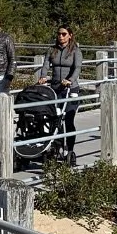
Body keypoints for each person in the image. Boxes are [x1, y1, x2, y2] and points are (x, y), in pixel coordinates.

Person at [38, 22, 83, 165]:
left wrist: (70, 80)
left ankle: (69, 150)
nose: (61, 36)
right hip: (56, 89)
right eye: (59, 34)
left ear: (70, 36)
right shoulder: (52, 50)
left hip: (71, 89)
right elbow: (46, 64)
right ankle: (55, 148)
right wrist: (43, 76)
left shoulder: (75, 51)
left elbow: (77, 68)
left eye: (64, 34)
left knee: (68, 120)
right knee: (55, 120)